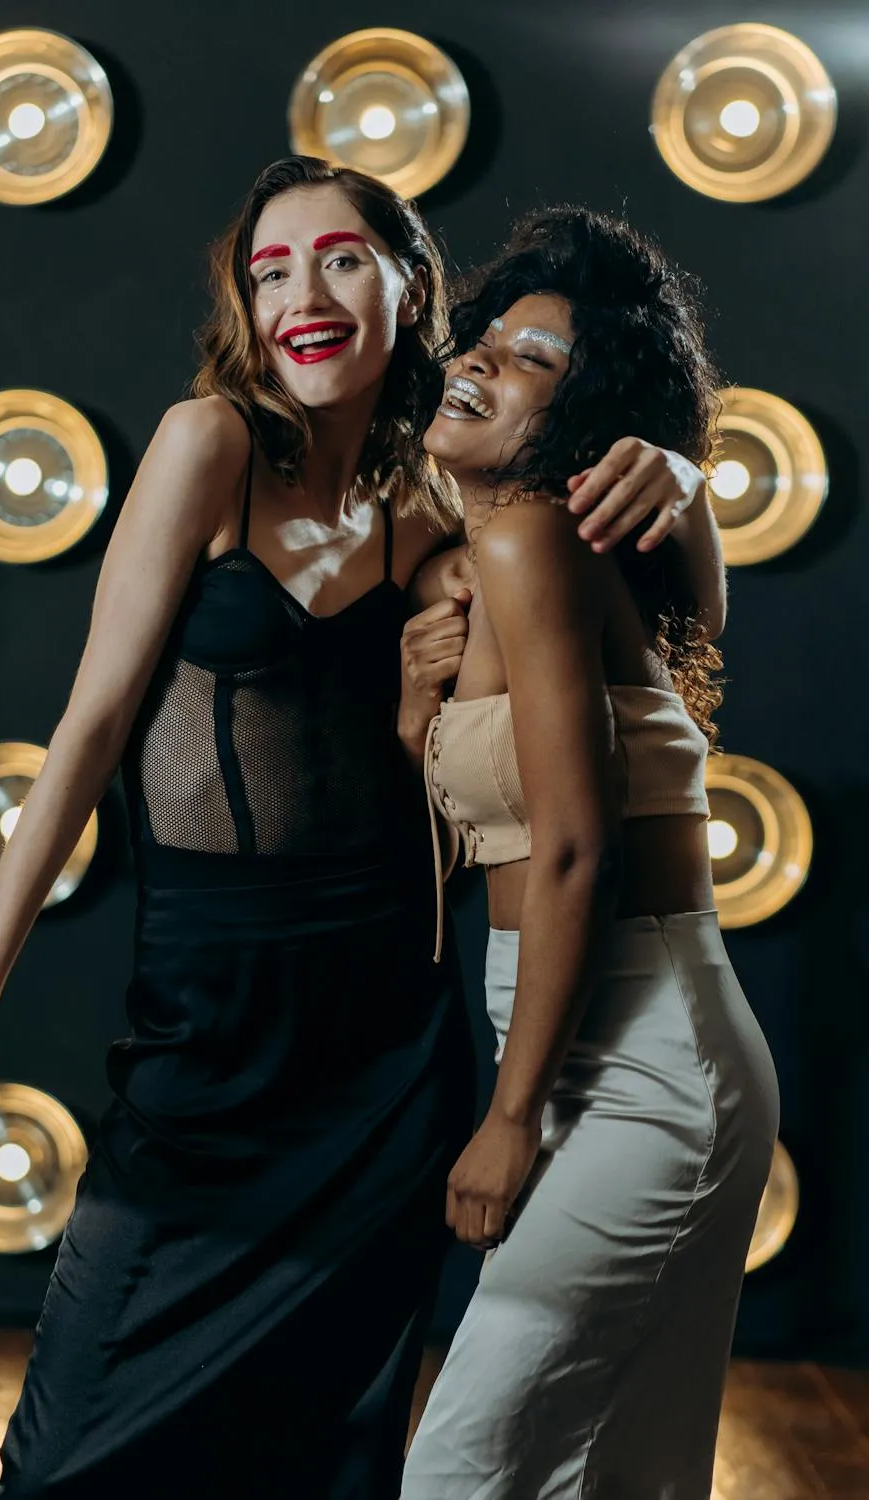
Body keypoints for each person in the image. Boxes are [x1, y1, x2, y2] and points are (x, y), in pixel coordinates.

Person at [0, 161, 719, 1499]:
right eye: (269, 270)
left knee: (324, 1458)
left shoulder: (451, 509)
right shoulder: (207, 445)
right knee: (58, 1469)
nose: (298, 294)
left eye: (336, 260)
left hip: (387, 1056)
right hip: (202, 1048)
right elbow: (89, 732)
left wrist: (680, 467)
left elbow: (656, 610)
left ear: (407, 285)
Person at [398, 207, 779, 1500]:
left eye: (534, 362)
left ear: (581, 419)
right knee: (597, 1472)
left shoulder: (529, 540)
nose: (482, 364)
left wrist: (509, 1118)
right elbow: (495, 836)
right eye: (487, 340)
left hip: (643, 1056)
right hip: (580, 1031)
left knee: (467, 1463)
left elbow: (572, 851)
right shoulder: (486, 561)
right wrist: (418, 715)